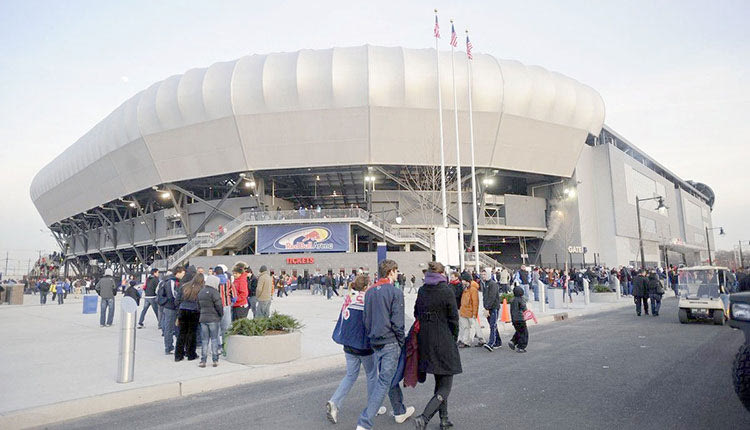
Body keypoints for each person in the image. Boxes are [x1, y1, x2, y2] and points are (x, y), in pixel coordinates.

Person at [357, 259, 415, 430]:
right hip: (390, 341)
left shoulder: (370, 292)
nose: (397, 275)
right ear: (391, 272)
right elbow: (398, 322)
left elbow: (365, 319)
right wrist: (401, 339)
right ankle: (365, 422)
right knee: (384, 381)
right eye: (396, 272)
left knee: (387, 377)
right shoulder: (395, 292)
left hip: (375, 340)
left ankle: (399, 410)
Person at [326, 274, 387, 424]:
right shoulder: (368, 300)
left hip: (348, 345)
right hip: (364, 346)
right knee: (372, 375)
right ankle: (373, 406)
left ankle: (334, 402)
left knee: (350, 375)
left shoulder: (349, 297)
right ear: (366, 286)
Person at [413, 261, 462, 430]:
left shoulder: (422, 289)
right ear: (442, 274)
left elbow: (415, 313)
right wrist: (454, 336)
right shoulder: (446, 290)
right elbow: (453, 318)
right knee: (446, 384)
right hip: (443, 338)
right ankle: (424, 417)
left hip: (426, 339)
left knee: (439, 379)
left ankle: (444, 419)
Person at [175, 272, 203, 362]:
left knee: (182, 333)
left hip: (183, 309)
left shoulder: (184, 286)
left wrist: (179, 310)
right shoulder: (201, 288)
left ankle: (178, 355)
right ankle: (191, 354)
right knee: (192, 333)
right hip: (194, 311)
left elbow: (177, 300)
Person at [198, 274, 223, 367]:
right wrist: (221, 315)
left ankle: (203, 360)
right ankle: (215, 360)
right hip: (213, 318)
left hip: (203, 318)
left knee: (204, 340)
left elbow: (198, 306)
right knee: (214, 339)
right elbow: (219, 306)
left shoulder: (201, 292)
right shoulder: (215, 292)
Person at [158, 266, 185, 355]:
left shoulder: (169, 280)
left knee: (172, 328)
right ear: (178, 272)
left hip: (169, 307)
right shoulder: (171, 282)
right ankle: (168, 347)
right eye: (183, 273)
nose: (183, 275)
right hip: (171, 307)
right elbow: (172, 295)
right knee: (169, 328)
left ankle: (172, 346)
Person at [481, 268, 502, 351]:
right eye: (482, 275)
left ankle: (491, 343)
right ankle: (498, 341)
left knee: (492, 325)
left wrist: (487, 308)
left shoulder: (493, 284)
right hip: (488, 308)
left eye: (484, 274)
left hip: (493, 308)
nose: (483, 276)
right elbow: (485, 297)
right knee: (493, 325)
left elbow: (492, 297)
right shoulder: (485, 284)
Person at [457, 273, 479, 348]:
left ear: (467, 280)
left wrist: (474, 313)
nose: (462, 281)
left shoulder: (473, 289)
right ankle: (465, 341)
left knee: (473, 327)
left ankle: (470, 341)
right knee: (465, 327)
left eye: (463, 280)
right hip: (464, 311)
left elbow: (475, 302)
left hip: (470, 311)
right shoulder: (464, 288)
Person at [508, 286, 528, 353]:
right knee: (524, 333)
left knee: (519, 332)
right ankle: (521, 347)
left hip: (514, 319)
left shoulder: (512, 300)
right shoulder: (521, 299)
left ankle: (513, 341)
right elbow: (524, 308)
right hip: (520, 319)